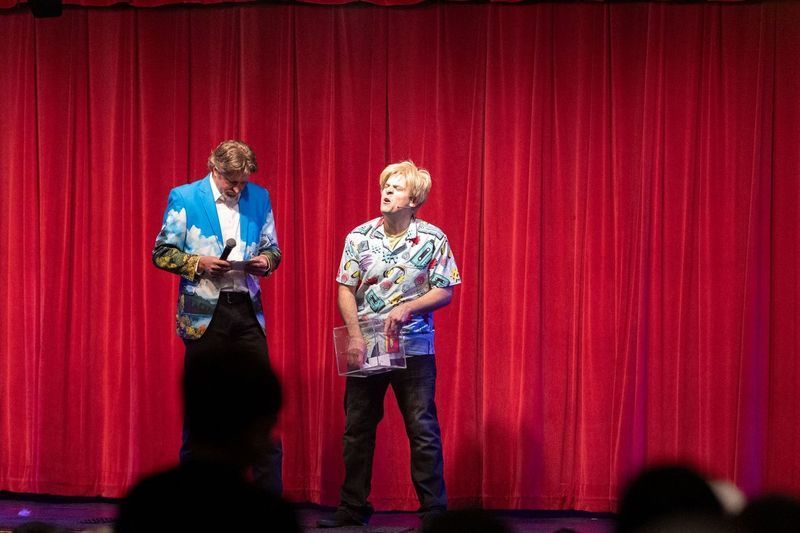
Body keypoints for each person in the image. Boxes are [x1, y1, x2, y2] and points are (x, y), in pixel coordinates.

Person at [318, 161, 461, 528]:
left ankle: (433, 513)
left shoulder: (432, 239)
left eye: (396, 188)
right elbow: (345, 289)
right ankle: (352, 508)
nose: (386, 192)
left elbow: (445, 290)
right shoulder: (359, 237)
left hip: (413, 348)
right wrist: (353, 336)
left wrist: (409, 307)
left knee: (422, 428)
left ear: (414, 199)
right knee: (357, 429)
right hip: (367, 345)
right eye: (385, 185)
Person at [152, 140, 283, 494]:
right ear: (214, 169)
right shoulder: (185, 197)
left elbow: (273, 248)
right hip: (204, 314)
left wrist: (265, 262)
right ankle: (195, 503)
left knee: (257, 405)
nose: (238, 188)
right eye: (231, 180)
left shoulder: (260, 197)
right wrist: (198, 263)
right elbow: (161, 253)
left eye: (243, 181)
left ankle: (268, 504)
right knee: (204, 409)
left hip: (246, 311)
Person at [116, 350, 300, 532]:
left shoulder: (143, 501)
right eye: (268, 428)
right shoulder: (274, 518)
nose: (271, 441)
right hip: (202, 325)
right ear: (255, 428)